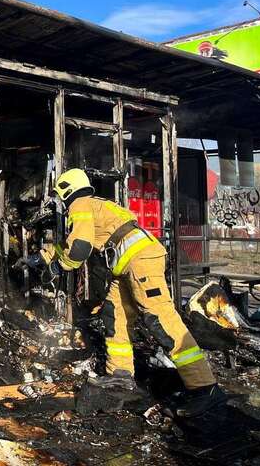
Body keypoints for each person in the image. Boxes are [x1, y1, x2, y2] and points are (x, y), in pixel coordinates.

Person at [38, 168, 226, 417]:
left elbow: (80, 246)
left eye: (60, 196)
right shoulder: (97, 205)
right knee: (114, 316)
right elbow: (76, 242)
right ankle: (120, 376)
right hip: (126, 267)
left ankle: (205, 388)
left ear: (65, 190)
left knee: (161, 320)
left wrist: (58, 266)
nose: (60, 202)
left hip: (139, 262)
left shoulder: (79, 205)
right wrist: (50, 257)